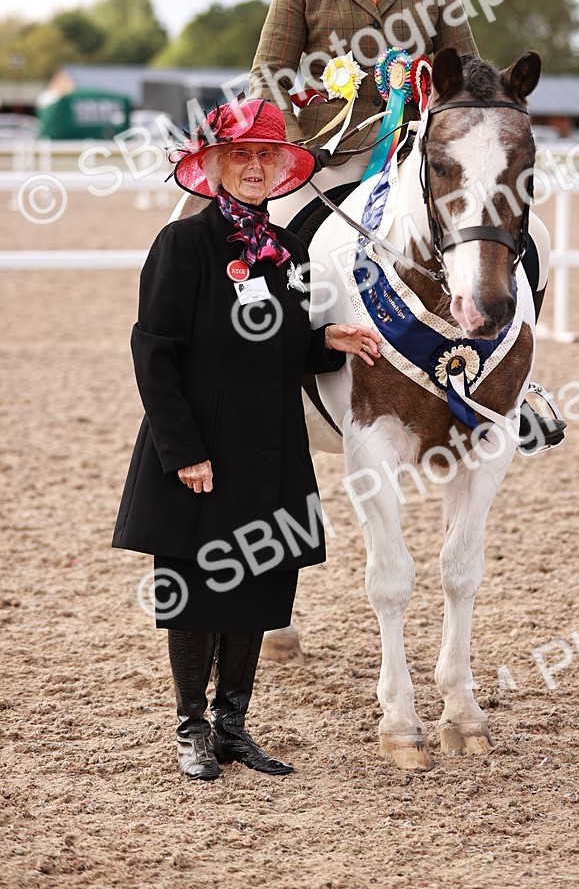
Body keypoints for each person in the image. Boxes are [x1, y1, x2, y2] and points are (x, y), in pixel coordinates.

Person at [248, 0, 564, 453]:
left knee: (533, 240)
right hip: (325, 160)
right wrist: (295, 142)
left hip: (412, 157)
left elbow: (470, 73)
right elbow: (268, 74)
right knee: (282, 247)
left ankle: (515, 378)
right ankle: (279, 375)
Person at [113, 98, 382, 781]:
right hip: (200, 446)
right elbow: (155, 353)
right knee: (195, 586)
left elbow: (279, 348)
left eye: (267, 154)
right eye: (242, 154)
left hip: (271, 448)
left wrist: (329, 340)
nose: (256, 165)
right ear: (214, 165)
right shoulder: (182, 246)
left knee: (262, 585)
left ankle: (234, 726)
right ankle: (192, 728)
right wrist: (184, 452)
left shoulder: (287, 252)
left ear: (283, 166)